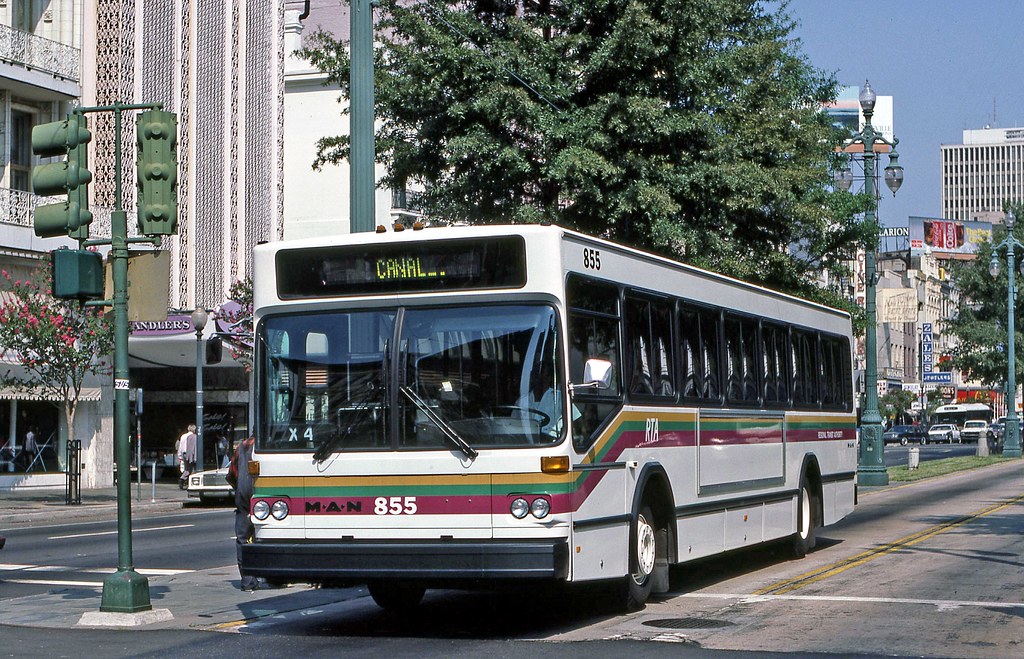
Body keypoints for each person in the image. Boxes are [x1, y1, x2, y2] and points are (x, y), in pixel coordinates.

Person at [227, 435, 259, 591]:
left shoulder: (242, 447)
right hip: (261, 493)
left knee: (242, 538)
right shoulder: (268, 446)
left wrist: (239, 488)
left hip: (243, 494)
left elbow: (231, 474)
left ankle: (247, 580)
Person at [177, 424, 198, 489]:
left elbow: (180, 446)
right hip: (191, 454)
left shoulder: (183, 436)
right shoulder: (194, 437)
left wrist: (180, 455)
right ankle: (188, 482)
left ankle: (182, 480)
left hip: (184, 453)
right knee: (192, 469)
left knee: (187, 468)